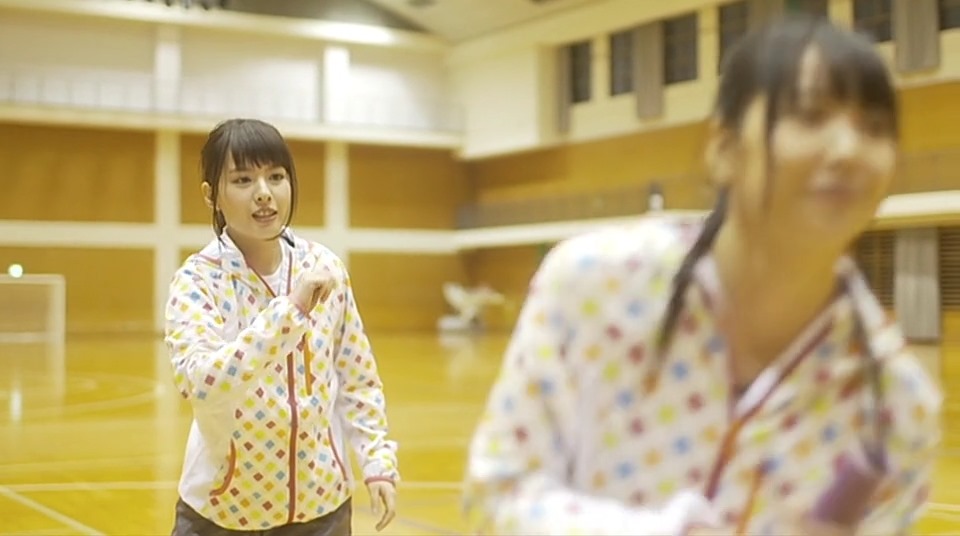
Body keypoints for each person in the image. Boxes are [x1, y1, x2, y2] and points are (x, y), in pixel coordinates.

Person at [462, 15, 942, 536]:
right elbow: (496, 499)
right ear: (724, 150)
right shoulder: (592, 287)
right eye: (810, 116)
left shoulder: (895, 405)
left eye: (875, 129)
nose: (849, 150)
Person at [164, 118, 398, 535]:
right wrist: (290, 312)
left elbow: (357, 378)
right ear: (211, 195)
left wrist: (376, 460)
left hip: (323, 511)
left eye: (276, 176)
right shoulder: (197, 280)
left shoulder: (324, 268)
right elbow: (201, 383)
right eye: (242, 179)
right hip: (223, 512)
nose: (264, 193)